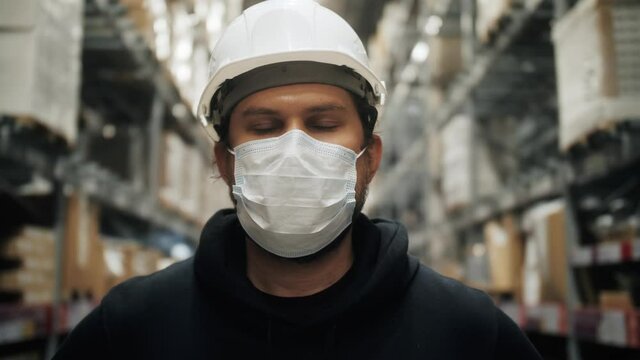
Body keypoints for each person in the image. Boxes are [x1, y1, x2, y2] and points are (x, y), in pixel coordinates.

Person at [54, 1, 542, 359]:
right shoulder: (132, 332)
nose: (294, 149)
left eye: (323, 124)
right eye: (264, 128)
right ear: (225, 162)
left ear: (368, 158)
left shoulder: (467, 335)